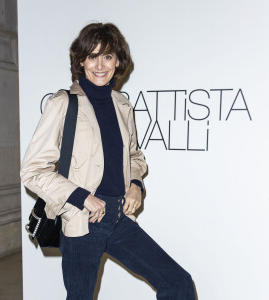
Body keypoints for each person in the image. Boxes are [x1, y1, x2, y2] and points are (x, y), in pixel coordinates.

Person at [20, 22, 196, 300]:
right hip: (81, 219)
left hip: (118, 216)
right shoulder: (63, 103)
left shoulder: (122, 106)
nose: (100, 65)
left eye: (108, 56)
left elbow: (135, 156)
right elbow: (32, 170)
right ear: (81, 61)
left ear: (118, 61)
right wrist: (81, 197)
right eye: (92, 56)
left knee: (177, 282)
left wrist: (136, 183)